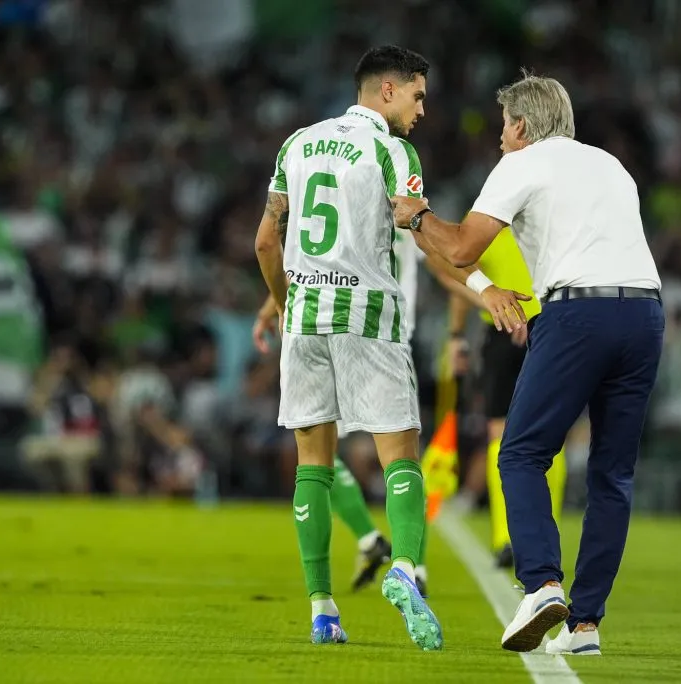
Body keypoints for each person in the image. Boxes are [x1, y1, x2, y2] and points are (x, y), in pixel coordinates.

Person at [391, 71, 664, 656]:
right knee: (612, 473)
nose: (498, 139)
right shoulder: (611, 164)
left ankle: (541, 583)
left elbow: (462, 247)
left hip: (578, 313)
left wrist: (417, 217)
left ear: (520, 125)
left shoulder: (521, 163)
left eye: (502, 127)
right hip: (644, 313)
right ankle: (585, 624)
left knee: (519, 452)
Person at [252, 44, 443, 650]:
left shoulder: (297, 144)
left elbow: (264, 243)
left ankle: (322, 609)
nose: (421, 110)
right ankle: (406, 568)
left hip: (305, 319)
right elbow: (418, 227)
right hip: (369, 317)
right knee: (399, 457)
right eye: (417, 95)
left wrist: (284, 302)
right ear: (387, 90)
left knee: (314, 464)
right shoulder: (394, 152)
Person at [442, 227, 568, 568]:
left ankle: (509, 540)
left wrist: (457, 335)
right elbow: (460, 268)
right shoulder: (547, 210)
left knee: (512, 433)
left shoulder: (489, 214)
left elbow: (460, 266)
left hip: (527, 328)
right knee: (538, 433)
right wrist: (456, 335)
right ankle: (520, 538)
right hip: (536, 330)